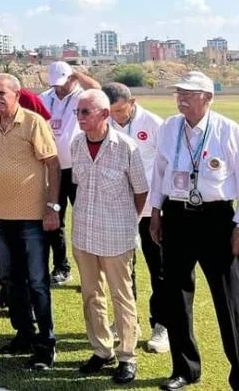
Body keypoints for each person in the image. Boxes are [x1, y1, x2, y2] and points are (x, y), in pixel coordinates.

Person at [149, 71, 239, 391]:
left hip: (217, 220)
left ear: (208, 98)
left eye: (190, 93)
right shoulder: (169, 127)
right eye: (178, 93)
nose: (181, 98)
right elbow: (160, 172)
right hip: (177, 216)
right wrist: (155, 213)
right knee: (175, 296)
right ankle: (185, 369)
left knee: (230, 302)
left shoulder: (227, 130)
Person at [0, 73, 60, 371]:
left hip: (32, 218)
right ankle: (24, 335)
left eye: (2, 93)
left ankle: (46, 344)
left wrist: (52, 207)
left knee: (37, 282)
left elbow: (52, 163)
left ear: (17, 94)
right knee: (12, 281)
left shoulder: (34, 123)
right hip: (1, 216)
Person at [70, 90, 149, 385]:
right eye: (78, 112)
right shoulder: (77, 143)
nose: (79, 118)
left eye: (85, 112)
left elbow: (141, 192)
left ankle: (127, 356)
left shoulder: (126, 147)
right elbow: (78, 184)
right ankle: (102, 350)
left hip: (117, 236)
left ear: (104, 115)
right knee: (91, 295)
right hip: (84, 234)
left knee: (122, 297)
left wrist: (127, 220)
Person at [103, 81, 169, 354]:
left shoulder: (154, 124)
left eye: (120, 110)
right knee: (121, 271)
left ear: (133, 102)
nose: (116, 117)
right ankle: (127, 322)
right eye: (111, 112)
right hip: (119, 210)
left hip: (151, 210)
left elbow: (166, 166)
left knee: (159, 269)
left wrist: (160, 208)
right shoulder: (104, 125)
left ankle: (162, 325)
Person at [39, 61, 100, 286]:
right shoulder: (46, 97)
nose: (59, 89)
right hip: (53, 168)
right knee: (54, 218)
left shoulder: (81, 96)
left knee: (85, 219)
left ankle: (92, 271)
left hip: (78, 169)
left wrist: (77, 75)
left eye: (62, 84)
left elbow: (99, 89)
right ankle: (61, 267)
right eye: (55, 84)